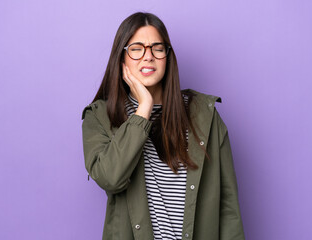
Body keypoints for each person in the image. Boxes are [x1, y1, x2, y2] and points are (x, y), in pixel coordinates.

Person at [81, 12, 245, 240]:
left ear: (167, 57)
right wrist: (143, 109)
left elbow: (228, 206)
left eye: (157, 48)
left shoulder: (204, 115)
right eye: (137, 48)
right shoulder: (100, 116)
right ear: (122, 59)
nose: (148, 57)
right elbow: (110, 178)